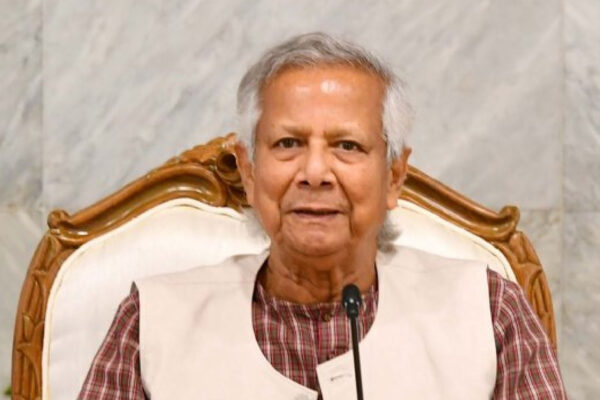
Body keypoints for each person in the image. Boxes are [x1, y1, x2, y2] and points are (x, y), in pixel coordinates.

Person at [78, 32, 567, 399]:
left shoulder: (490, 312)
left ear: (394, 176)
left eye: (347, 146)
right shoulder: (151, 321)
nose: (315, 173)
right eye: (288, 143)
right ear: (248, 171)